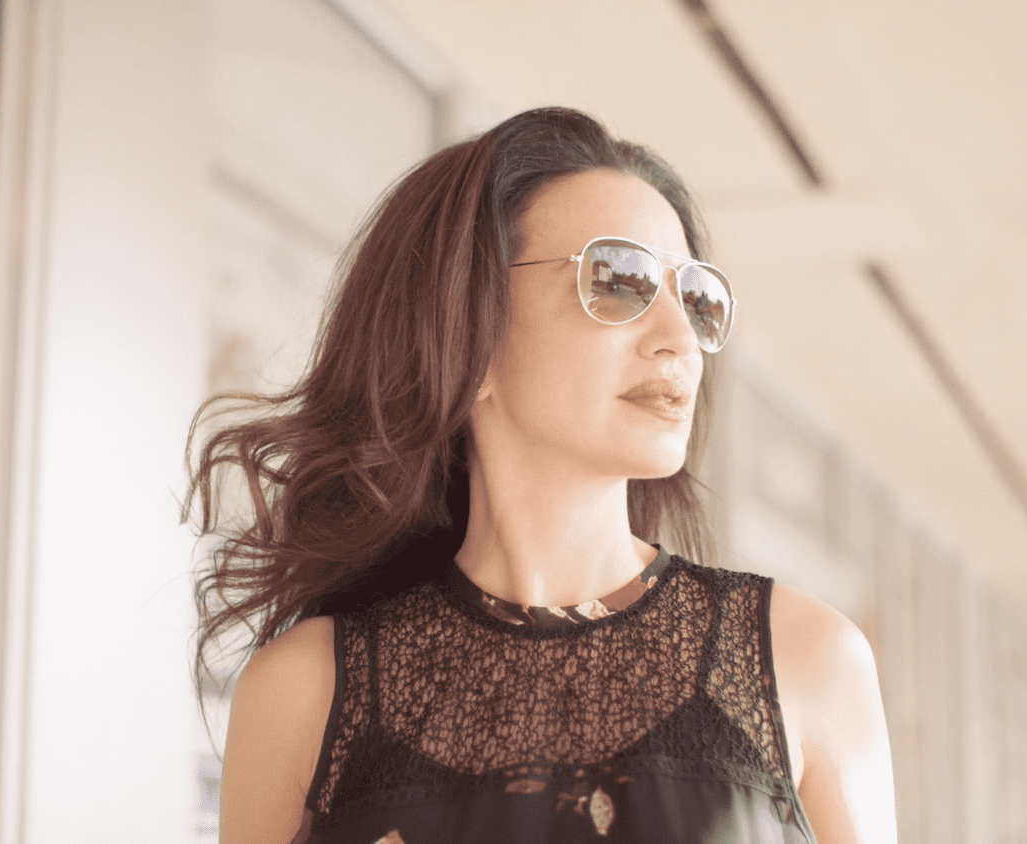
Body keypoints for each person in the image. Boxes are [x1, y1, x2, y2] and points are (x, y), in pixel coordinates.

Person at [187, 107, 896, 843]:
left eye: (696, 299)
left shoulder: (806, 661)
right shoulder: (305, 693)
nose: (680, 338)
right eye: (620, 280)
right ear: (470, 334)